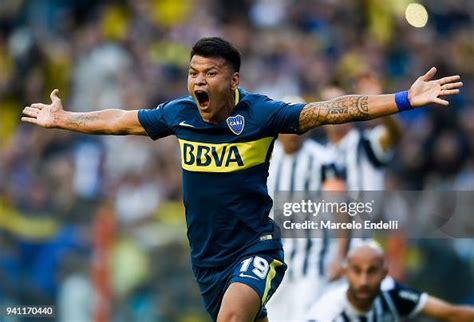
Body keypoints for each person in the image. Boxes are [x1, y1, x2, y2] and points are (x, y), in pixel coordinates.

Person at [21, 37, 463, 322]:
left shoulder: (262, 115)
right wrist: (64, 119)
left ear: (233, 81)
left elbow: (333, 109)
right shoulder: (179, 115)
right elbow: (119, 120)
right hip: (206, 260)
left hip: (256, 250)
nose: (199, 81)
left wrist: (406, 98)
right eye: (194, 73)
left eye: (210, 74)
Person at [266, 112, 349, 321]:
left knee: (307, 316)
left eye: (298, 127)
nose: (293, 133)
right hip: (274, 259)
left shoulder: (324, 161)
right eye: (287, 127)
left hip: (313, 258)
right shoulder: (266, 159)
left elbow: (341, 209)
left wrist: (340, 254)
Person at [305, 242, 474, 322]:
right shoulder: (327, 314)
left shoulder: (392, 293)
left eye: (372, 271)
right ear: (346, 273)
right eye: (357, 271)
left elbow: (451, 313)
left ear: (384, 273)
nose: (364, 280)